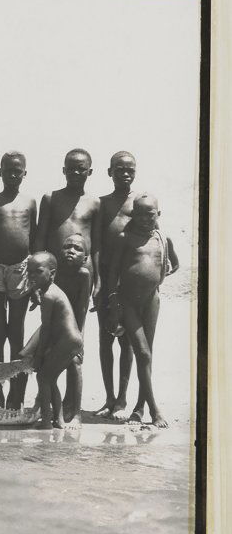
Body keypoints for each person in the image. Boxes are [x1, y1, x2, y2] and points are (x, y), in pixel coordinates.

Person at [104, 193, 179, 427]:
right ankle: (155, 410)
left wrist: (158, 274)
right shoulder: (124, 237)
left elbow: (174, 264)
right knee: (143, 354)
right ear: (132, 215)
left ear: (158, 214)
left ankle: (139, 408)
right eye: (140, 213)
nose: (146, 218)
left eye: (151, 213)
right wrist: (113, 303)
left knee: (148, 355)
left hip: (151, 301)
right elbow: (113, 273)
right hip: (128, 303)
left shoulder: (162, 238)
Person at [0, 151, 36, 409]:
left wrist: (33, 281)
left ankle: (18, 390)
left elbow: (33, 242)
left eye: (18, 171)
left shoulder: (30, 202)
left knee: (17, 331)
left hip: (21, 269)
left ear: (25, 173)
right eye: (8, 170)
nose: (13, 175)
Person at [93, 150, 137, 417]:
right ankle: (108, 397)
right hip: (107, 277)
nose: (125, 174)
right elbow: (96, 245)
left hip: (129, 279)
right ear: (109, 172)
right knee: (104, 338)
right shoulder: (102, 204)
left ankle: (122, 399)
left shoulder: (140, 204)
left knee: (127, 341)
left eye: (130, 169)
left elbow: (153, 233)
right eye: (119, 169)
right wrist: (98, 280)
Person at [22, 251, 83, 429]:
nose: (32, 275)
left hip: (67, 341)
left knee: (43, 377)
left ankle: (47, 422)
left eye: (38, 271)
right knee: (51, 378)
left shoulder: (49, 296)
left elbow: (46, 329)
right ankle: (59, 420)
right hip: (70, 340)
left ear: (53, 273)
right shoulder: (50, 291)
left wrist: (39, 355)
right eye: (29, 271)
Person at [35, 147, 102, 300]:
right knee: (53, 317)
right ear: (64, 170)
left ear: (89, 172)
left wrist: (98, 280)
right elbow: (40, 239)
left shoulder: (95, 203)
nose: (76, 173)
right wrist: (37, 275)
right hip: (54, 269)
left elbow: (97, 245)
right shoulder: (50, 198)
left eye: (81, 169)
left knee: (78, 321)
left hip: (83, 270)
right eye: (71, 169)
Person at [55, 233, 93, 423]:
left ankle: (76, 413)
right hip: (54, 324)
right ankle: (50, 407)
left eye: (78, 249)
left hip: (75, 325)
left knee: (75, 362)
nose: (71, 250)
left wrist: (78, 336)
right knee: (45, 364)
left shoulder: (83, 274)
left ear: (85, 258)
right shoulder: (54, 271)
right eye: (67, 246)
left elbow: (82, 308)